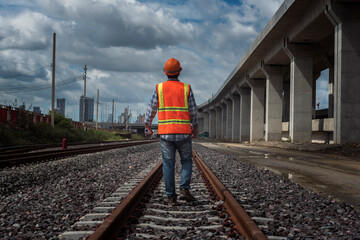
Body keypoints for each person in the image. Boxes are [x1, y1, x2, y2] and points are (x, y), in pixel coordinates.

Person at [144, 58, 198, 206]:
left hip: (166, 133)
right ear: (179, 71)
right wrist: (195, 127)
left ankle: (171, 197)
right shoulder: (186, 88)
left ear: (165, 72)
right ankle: (184, 189)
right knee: (186, 160)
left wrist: (147, 123)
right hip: (184, 132)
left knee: (168, 164)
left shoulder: (160, 88)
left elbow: (152, 108)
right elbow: (193, 111)